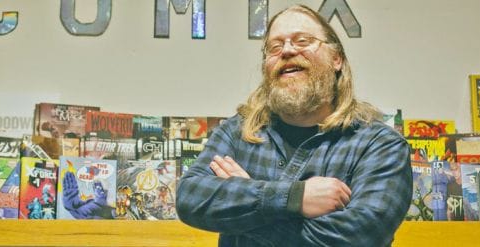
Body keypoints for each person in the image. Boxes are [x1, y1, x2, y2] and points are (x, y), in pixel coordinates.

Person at [176, 4, 412, 247]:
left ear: (336, 59)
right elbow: (191, 197)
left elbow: (359, 238)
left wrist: (247, 199)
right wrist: (295, 198)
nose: (287, 50)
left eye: (302, 41)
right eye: (274, 47)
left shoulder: (380, 145)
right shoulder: (237, 132)